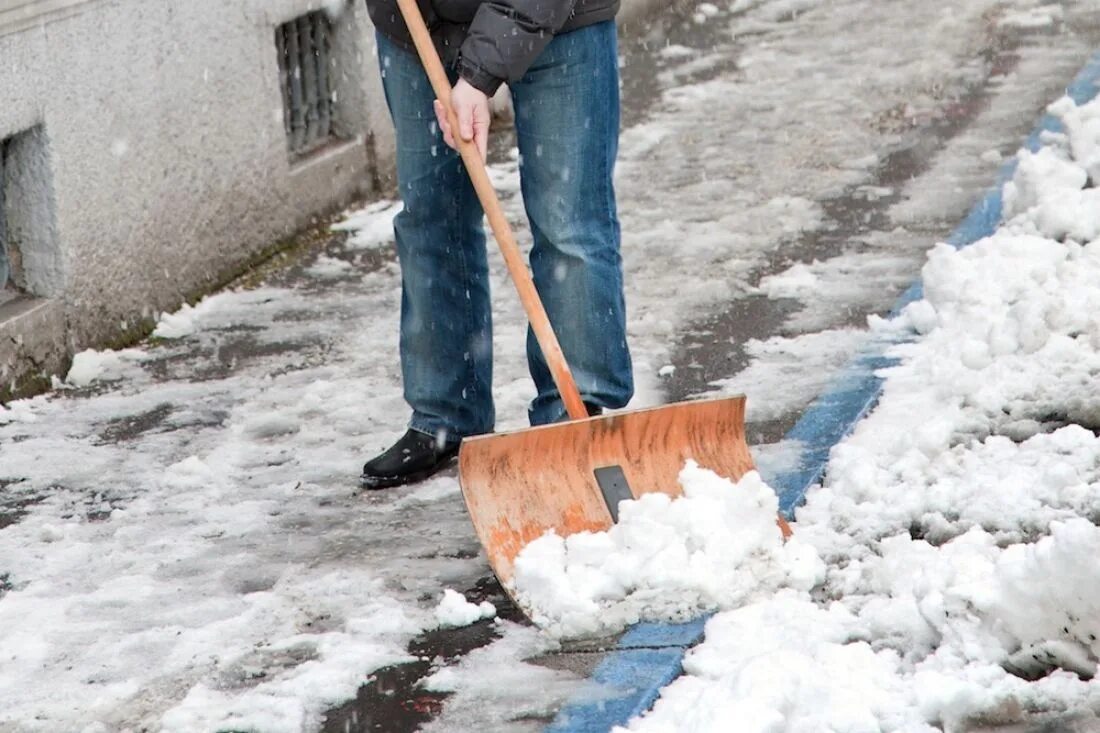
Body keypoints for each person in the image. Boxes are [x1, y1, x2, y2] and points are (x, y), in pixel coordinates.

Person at [360, 0, 633, 489]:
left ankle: (575, 412)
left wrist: (479, 76)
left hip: (561, 19)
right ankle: (446, 414)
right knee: (430, 219)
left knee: (568, 222)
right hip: (417, 24)